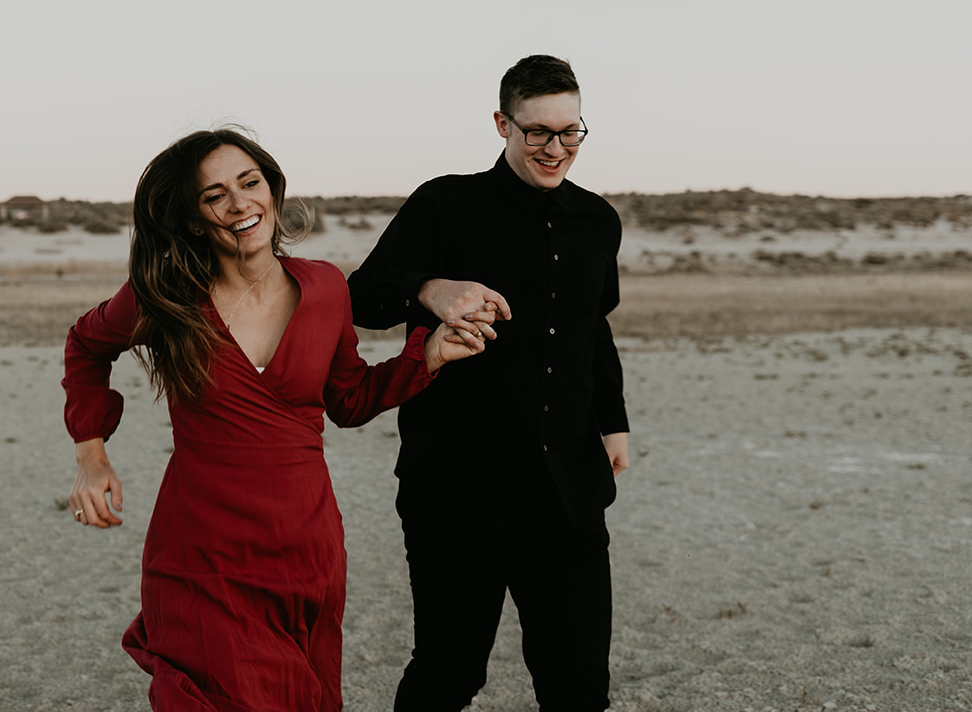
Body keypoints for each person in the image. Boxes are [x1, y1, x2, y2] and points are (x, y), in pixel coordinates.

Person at [63, 128, 484, 712]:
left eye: (250, 182)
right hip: (200, 551)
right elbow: (86, 345)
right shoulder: (166, 296)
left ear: (272, 189)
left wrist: (430, 354)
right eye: (214, 196)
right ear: (191, 219)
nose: (240, 205)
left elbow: (350, 401)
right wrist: (92, 455)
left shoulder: (326, 288)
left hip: (304, 547)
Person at [348, 55, 630, 711]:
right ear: (502, 123)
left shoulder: (598, 222)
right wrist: (431, 286)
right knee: (448, 672)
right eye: (537, 131)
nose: (555, 148)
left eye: (570, 131)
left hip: (568, 488)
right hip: (455, 489)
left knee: (578, 681)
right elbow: (362, 295)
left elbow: (595, 330)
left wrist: (612, 421)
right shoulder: (444, 204)